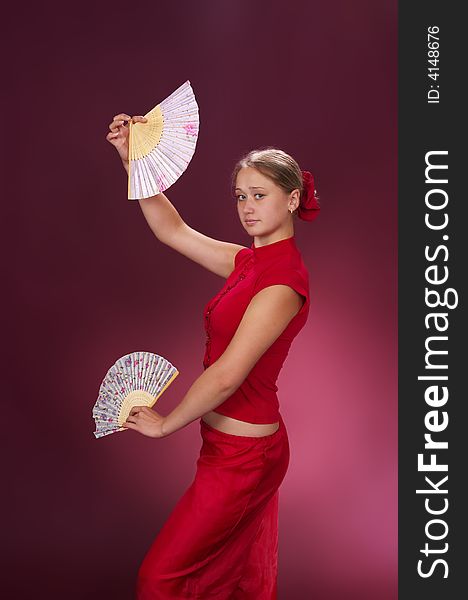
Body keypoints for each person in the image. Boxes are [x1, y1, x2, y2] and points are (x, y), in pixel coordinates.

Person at [106, 113, 321, 599]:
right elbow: (173, 230)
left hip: (247, 456)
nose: (247, 207)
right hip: (222, 446)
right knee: (226, 581)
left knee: (160, 579)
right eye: (240, 196)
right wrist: (133, 159)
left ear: (291, 200)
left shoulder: (282, 283)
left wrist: (164, 425)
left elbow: (227, 376)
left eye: (259, 195)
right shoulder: (249, 262)